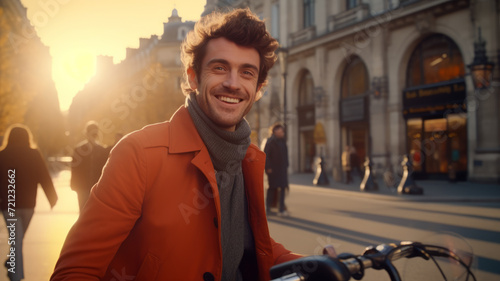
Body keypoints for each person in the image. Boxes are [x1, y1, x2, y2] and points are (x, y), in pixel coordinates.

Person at [51, 9, 336, 281]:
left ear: (259, 88)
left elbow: (246, 247)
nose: (233, 83)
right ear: (192, 76)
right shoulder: (139, 154)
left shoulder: (248, 158)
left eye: (247, 72)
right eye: (220, 67)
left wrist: (313, 264)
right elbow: (75, 271)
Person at [0, 124, 58, 281]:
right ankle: (16, 276)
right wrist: (52, 198)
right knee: (17, 240)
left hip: (8, 205)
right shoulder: (34, 154)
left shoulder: (2, 155)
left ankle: (11, 262)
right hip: (28, 205)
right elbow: (44, 176)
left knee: (16, 240)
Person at [70, 121, 108, 211]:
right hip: (87, 187)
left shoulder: (101, 150)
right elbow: (75, 168)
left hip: (92, 187)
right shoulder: (80, 149)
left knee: (86, 213)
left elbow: (74, 168)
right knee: (90, 212)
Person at [264, 123, 289, 216]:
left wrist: (286, 165)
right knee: (272, 188)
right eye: (281, 131)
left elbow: (285, 155)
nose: (282, 133)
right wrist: (268, 168)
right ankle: (268, 207)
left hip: (282, 169)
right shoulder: (270, 141)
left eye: (283, 131)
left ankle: (281, 209)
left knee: (282, 188)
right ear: (275, 131)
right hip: (273, 170)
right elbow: (266, 155)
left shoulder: (283, 141)